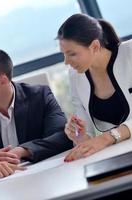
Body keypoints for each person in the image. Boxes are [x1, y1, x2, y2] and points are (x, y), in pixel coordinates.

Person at [0, 47, 73, 166]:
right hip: (1, 182)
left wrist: (22, 151)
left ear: (3, 80)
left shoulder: (40, 96)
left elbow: (62, 137)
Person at [57, 13, 132, 162]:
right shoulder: (75, 76)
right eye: (64, 54)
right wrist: (78, 134)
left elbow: (102, 140)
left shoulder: (130, 53)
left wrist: (107, 138)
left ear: (95, 46)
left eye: (72, 54)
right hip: (118, 156)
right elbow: (87, 138)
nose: (66, 62)